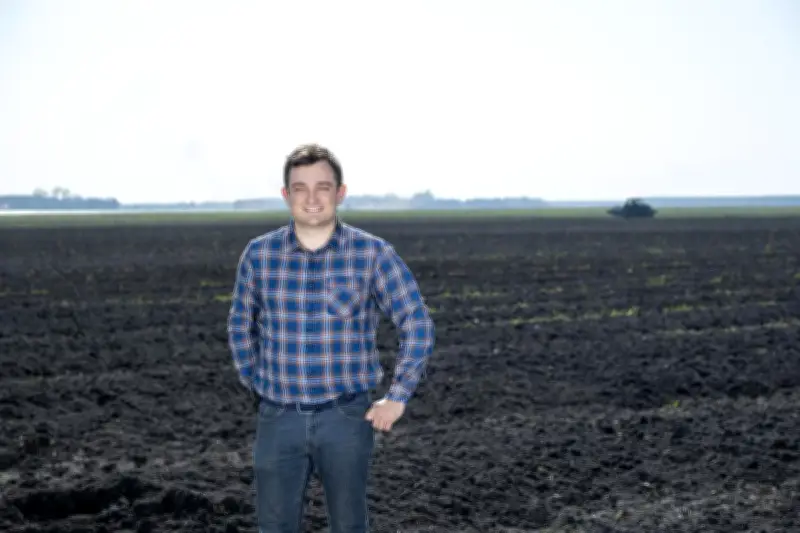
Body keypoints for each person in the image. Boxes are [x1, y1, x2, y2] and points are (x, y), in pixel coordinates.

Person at [226, 143, 436, 533]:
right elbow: (240, 325)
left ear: (340, 193)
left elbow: (417, 322)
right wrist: (256, 382)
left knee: (349, 524)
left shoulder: (372, 254)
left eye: (322, 187)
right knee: (273, 525)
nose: (311, 199)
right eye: (300, 188)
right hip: (278, 418)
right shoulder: (259, 255)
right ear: (286, 195)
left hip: (346, 416)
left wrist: (398, 395)